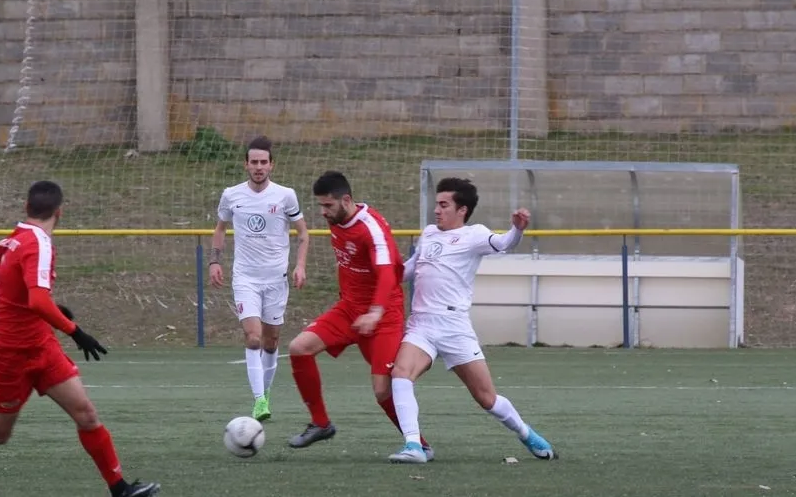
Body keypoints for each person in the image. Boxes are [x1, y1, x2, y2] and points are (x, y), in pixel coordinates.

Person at [0, 180, 160, 497]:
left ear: (27, 207)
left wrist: (52, 310)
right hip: (8, 352)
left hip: (40, 345)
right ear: (60, 212)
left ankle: (120, 489)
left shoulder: (14, 239)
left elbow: (8, 290)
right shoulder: (37, 243)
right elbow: (36, 301)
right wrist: (76, 332)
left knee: (86, 414)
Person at [387, 177, 556, 464]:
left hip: (455, 327)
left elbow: (504, 243)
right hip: (421, 325)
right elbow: (407, 271)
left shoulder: (474, 235)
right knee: (401, 374)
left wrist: (517, 228)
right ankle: (414, 446)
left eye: (444, 205)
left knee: (486, 398)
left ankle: (526, 433)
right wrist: (375, 271)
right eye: (436, 204)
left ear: (462, 210)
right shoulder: (428, 234)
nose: (437, 210)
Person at [285, 170, 433, 460]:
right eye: (320, 205)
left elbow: (388, 274)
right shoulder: (338, 220)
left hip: (383, 315)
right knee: (299, 348)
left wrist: (376, 312)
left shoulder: (371, 229)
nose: (323, 212)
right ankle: (321, 423)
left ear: (346, 200)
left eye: (328, 205)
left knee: (382, 390)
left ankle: (420, 445)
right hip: (349, 309)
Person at [209, 135, 310, 422]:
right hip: (246, 279)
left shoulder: (285, 195)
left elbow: (303, 234)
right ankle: (259, 400)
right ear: (246, 165)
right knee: (253, 337)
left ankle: (264, 395)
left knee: (271, 341)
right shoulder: (232, 195)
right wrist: (214, 261)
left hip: (276, 279)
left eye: (263, 162)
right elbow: (220, 228)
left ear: (271, 165)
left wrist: (300, 266)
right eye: (253, 162)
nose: (258, 167)